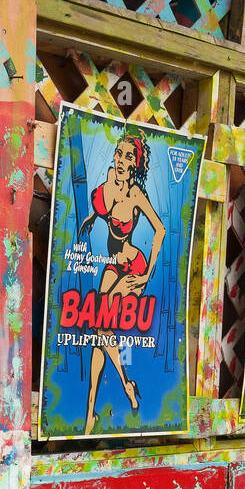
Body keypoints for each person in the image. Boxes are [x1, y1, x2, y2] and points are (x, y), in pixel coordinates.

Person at [78, 133, 166, 432]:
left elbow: (160, 230)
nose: (120, 160)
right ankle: (101, 401)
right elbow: (106, 209)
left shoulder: (138, 195)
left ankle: (96, 407)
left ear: (136, 165)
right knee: (98, 334)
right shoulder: (108, 180)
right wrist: (93, 217)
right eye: (118, 153)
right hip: (114, 265)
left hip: (134, 265)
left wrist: (146, 275)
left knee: (100, 324)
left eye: (128, 157)